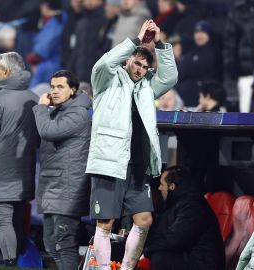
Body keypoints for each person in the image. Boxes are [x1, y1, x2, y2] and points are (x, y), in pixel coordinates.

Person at [86, 20, 178, 270]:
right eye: (136, 63)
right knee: (105, 224)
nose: (140, 69)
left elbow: (170, 76)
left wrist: (158, 43)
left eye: (145, 66)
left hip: (137, 165)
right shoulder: (106, 79)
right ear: (127, 60)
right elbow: (105, 62)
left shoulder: (148, 86)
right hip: (109, 163)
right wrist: (137, 40)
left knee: (145, 220)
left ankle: (126, 268)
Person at [0, 52, 39, 266]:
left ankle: (10, 262)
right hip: (25, 170)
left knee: (2, 219)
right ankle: (20, 260)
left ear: (8, 71)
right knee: (18, 218)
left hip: (0, 169)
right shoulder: (34, 98)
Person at [33, 70, 92, 270]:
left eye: (60, 87)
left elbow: (48, 131)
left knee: (65, 244)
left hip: (68, 188)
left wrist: (41, 108)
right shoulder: (59, 111)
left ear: (73, 90)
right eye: (52, 86)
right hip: (54, 186)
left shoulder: (78, 113)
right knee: (51, 244)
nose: (55, 91)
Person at [143, 166, 224, 270]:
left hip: (205, 263)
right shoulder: (177, 203)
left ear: (172, 186)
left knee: (160, 258)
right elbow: (161, 232)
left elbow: (176, 239)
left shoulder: (192, 205)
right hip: (191, 257)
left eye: (162, 184)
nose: (159, 188)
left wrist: (147, 251)